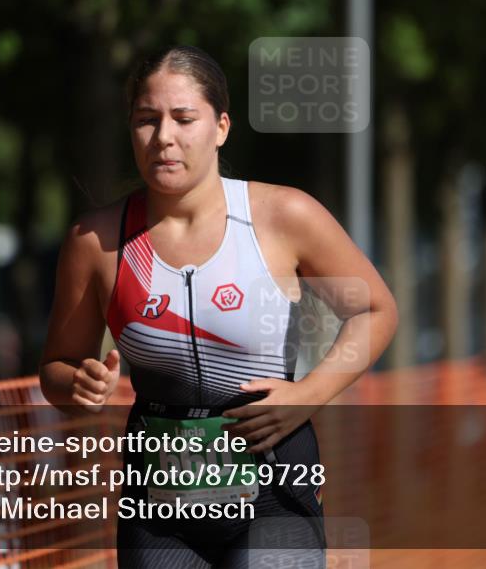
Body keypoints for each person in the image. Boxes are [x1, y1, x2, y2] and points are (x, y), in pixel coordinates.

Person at [40, 45, 398, 568]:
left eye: (184, 118)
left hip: (274, 482)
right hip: (157, 499)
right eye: (146, 120)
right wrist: (75, 384)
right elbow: (56, 367)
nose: (164, 136)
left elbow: (375, 310)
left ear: (221, 127)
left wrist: (308, 395)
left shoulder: (283, 215)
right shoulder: (95, 241)